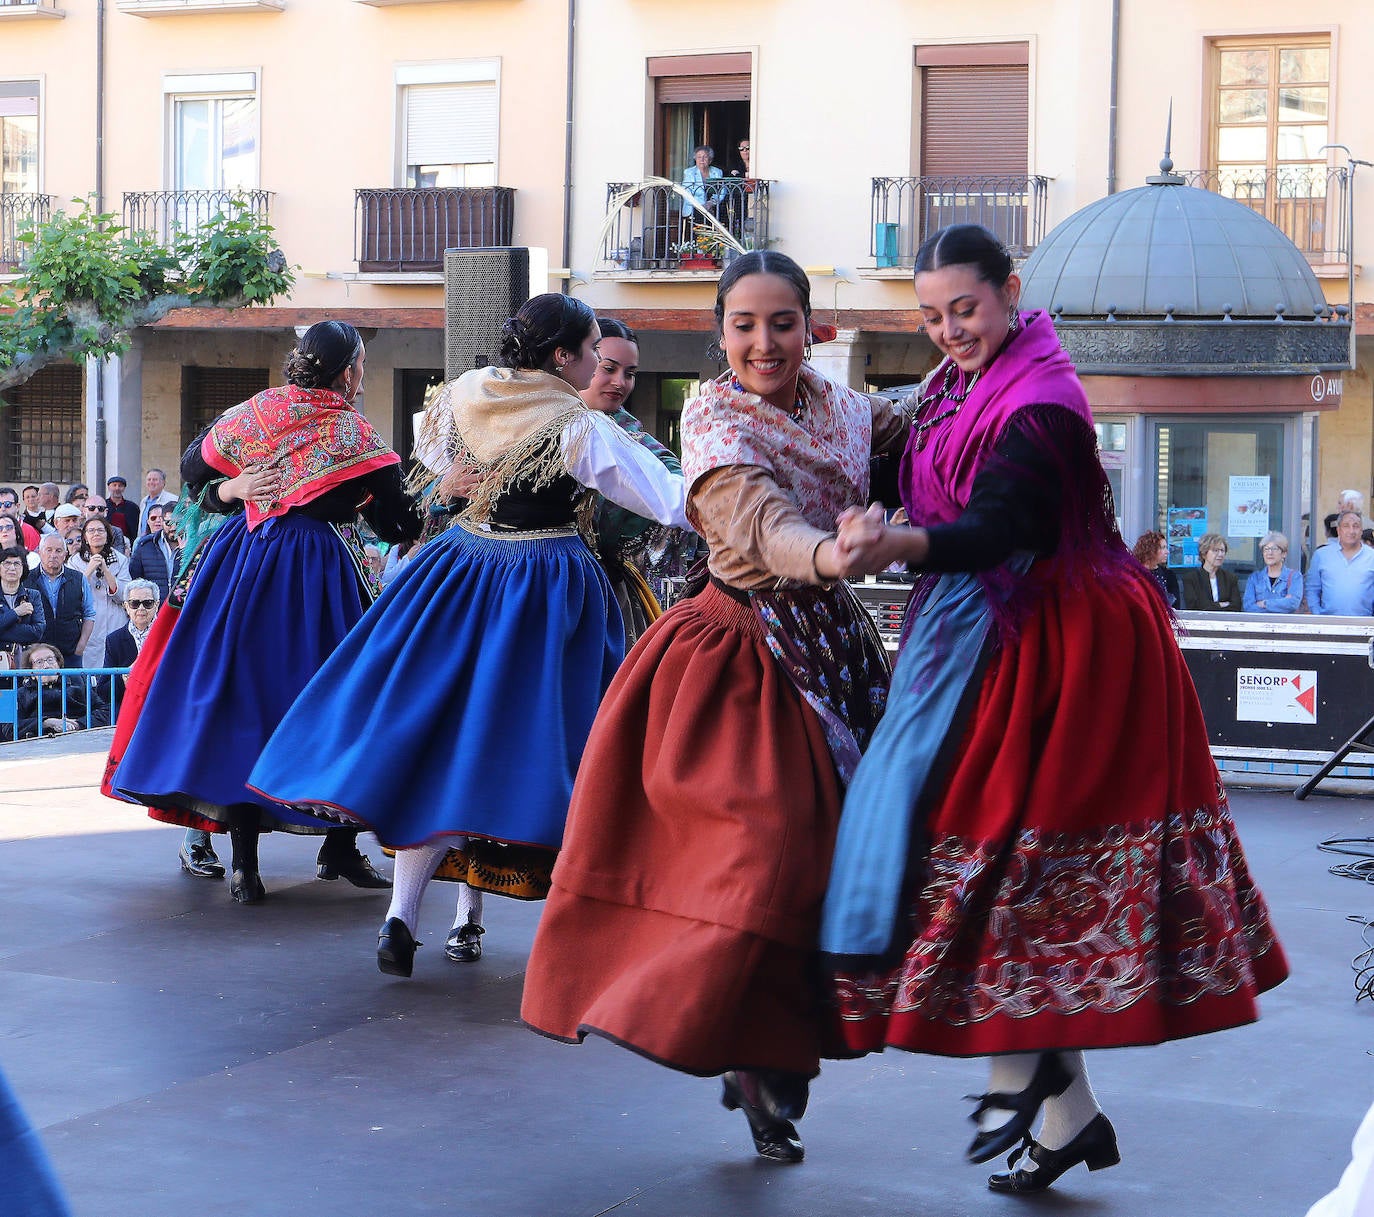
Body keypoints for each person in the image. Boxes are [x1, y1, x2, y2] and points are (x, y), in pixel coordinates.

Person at [820, 224, 1287, 1195]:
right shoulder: (956, 387)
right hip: (992, 636)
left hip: (1067, 648)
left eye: (966, 309)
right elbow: (900, 462)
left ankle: (1031, 1088)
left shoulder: (1043, 401)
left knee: (1008, 865)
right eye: (933, 314)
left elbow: (1004, 525)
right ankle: (1066, 1114)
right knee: (982, 863)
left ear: (1010, 292)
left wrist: (895, 544)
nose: (950, 329)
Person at [521, 253, 908, 1165]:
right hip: (736, 657)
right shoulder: (712, 414)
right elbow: (752, 518)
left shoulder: (846, 407)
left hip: (831, 652)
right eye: (743, 325)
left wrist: (1003, 370)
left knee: (836, 867)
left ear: (812, 326)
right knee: (759, 852)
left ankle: (771, 1056)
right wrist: (829, 552)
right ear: (720, 332)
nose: (763, 342)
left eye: (782, 322)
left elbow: (921, 424)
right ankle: (740, 1046)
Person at [250, 293, 690, 975]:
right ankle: (576, 931)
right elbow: (662, 495)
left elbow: (431, 452)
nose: (601, 364)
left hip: (458, 568)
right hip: (541, 585)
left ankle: (402, 914)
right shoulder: (576, 424)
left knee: (433, 735)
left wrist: (459, 479)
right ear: (563, 356)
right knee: (550, 749)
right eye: (593, 351)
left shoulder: (466, 391)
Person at [110, 320, 420, 904]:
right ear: (349, 371)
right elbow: (399, 523)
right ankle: (339, 847)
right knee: (340, 701)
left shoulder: (256, 411)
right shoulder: (354, 434)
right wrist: (432, 496)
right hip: (317, 575)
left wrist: (234, 490)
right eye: (360, 366)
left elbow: (191, 469)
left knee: (240, 701)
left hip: (239, 566)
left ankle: (244, 866)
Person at [581, 317, 695, 645]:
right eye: (609, 368)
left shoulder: (629, 436)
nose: (620, 382)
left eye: (629, 374)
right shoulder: (539, 418)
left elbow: (676, 480)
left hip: (602, 593)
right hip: (531, 579)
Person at [6, 642, 109, 740]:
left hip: (80, 738)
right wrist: (46, 722)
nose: (46, 666)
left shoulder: (78, 685)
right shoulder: (21, 694)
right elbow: (8, 728)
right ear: (31, 672)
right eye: (39, 662)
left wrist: (78, 724)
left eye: (50, 660)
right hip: (38, 744)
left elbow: (105, 712)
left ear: (59, 664)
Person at [67, 515, 131, 670]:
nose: (96, 534)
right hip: (88, 626)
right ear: (85, 537)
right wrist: (89, 571)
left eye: (100, 530)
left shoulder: (120, 559)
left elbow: (125, 594)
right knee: (90, 673)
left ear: (108, 535)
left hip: (114, 622)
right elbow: (71, 593)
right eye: (91, 530)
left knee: (112, 670)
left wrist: (106, 570)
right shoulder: (74, 561)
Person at [24, 533, 95, 666]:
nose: (53, 555)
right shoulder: (27, 580)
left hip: (71, 653)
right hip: (37, 655)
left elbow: (89, 614)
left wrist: (81, 645)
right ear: (40, 552)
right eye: (48, 550)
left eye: (58, 550)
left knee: (75, 687)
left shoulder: (79, 579)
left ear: (65, 554)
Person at [1307, 510, 1374, 615]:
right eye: (1346, 526)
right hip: (1328, 623)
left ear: (1361, 530)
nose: (1351, 531)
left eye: (1355, 526)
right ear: (1338, 530)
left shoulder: (1371, 556)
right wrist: (1317, 614)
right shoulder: (1321, 555)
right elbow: (1312, 588)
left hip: (1364, 624)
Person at [103, 577, 159, 701]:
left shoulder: (169, 635)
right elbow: (103, 690)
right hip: (128, 704)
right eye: (135, 603)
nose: (141, 608)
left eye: (147, 603)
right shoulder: (114, 640)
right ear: (126, 606)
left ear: (157, 604)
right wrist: (124, 677)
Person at [0, 546, 45, 668]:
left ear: (23, 567)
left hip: (24, 661)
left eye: (17, 563)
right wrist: (16, 613)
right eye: (7, 563)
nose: (12, 568)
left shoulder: (33, 595)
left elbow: (37, 631)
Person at [128, 503, 179, 602]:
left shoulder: (192, 547)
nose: (173, 527)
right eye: (169, 523)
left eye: (178, 523)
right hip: (153, 608)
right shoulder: (145, 545)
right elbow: (134, 579)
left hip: (182, 608)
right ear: (162, 522)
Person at [1244, 532, 1303, 613]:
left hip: (1284, 624)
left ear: (1284, 553)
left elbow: (1293, 603)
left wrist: (1265, 603)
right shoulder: (1254, 578)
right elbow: (1248, 607)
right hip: (1260, 624)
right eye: (1266, 549)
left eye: (1274, 549)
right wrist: (1282, 604)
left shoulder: (1294, 576)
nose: (1270, 553)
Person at [1179, 533, 1241, 611]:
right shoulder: (1191, 579)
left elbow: (1236, 606)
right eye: (1215, 550)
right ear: (1204, 554)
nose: (1220, 554)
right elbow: (1194, 606)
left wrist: (1210, 605)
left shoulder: (1230, 578)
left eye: (1222, 550)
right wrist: (1220, 604)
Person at [1130, 530, 1180, 607]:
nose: (1167, 552)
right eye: (1163, 548)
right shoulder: (1133, 573)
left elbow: (1176, 605)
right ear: (1151, 549)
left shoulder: (1169, 575)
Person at [681, 144, 723, 223]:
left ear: (710, 160)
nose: (702, 160)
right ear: (695, 159)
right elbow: (686, 192)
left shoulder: (717, 172)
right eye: (699, 157)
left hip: (712, 209)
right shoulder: (689, 172)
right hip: (694, 209)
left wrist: (710, 203)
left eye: (705, 157)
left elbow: (721, 191)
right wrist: (702, 206)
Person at [139, 468, 178, 533]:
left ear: (163, 482)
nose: (151, 482)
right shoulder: (144, 501)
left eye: (155, 480)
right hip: (145, 540)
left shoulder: (173, 499)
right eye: (149, 479)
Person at [105, 475, 139, 541]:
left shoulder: (132, 507)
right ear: (109, 488)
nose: (117, 488)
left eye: (120, 486)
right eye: (114, 485)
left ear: (124, 488)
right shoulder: (103, 505)